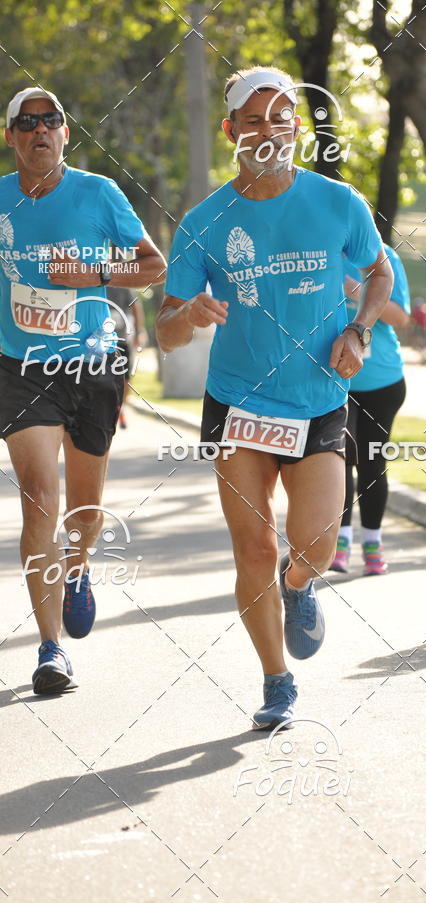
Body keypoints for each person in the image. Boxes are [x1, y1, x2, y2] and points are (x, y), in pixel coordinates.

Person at [156, 67, 392, 729]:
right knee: (253, 545)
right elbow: (166, 330)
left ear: (296, 127)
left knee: (313, 541)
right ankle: (275, 679)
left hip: (317, 398)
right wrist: (189, 316)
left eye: (279, 117)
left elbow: (380, 270)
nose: (267, 130)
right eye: (252, 120)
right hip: (238, 402)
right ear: (232, 130)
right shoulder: (205, 223)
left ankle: (301, 581)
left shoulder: (337, 202)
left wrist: (360, 327)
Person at [0, 87, 166, 693]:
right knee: (40, 497)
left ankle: (79, 566)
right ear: (11, 136)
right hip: (21, 367)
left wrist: (94, 274)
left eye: (52, 121)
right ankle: (50, 648)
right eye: (27, 123)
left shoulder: (99, 193)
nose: (40, 130)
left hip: (94, 364)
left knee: (84, 511)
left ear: (65, 133)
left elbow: (153, 267)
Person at [330, 243, 410, 575]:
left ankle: (373, 544)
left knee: (372, 460)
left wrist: (356, 289)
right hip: (334, 380)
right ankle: (341, 543)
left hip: (382, 381)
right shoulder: (319, 251)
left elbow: (400, 317)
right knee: (341, 457)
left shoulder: (384, 256)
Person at [106, 285, 148, 428]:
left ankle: (121, 408)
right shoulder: (93, 280)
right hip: (100, 343)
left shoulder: (123, 285)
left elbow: (136, 307)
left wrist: (139, 331)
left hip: (121, 340)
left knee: (125, 378)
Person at [411, 296, 426, 364]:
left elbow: (413, 320)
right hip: (424, 328)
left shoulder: (416, 310)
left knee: (421, 344)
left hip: (419, 328)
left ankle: (424, 358)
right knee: (424, 344)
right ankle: (424, 358)